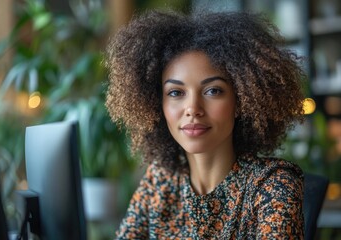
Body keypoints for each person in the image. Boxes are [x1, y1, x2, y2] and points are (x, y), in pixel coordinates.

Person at [105, 10, 305, 239]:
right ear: (156, 103)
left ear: (241, 100)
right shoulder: (161, 180)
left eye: (213, 91)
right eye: (176, 92)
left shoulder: (273, 185)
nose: (192, 108)